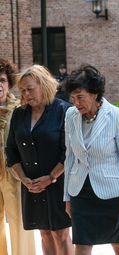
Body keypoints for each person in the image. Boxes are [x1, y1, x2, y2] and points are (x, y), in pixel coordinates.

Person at [63, 64, 119, 255]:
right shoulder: (70, 115)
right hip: (80, 191)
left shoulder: (117, 116)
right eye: (72, 98)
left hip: (111, 193)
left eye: (80, 97)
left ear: (95, 93)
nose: (76, 103)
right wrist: (67, 197)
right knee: (82, 243)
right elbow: (69, 158)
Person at [5, 64, 73, 255]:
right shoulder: (19, 114)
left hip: (58, 182)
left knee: (60, 233)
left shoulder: (64, 111)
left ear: (43, 85)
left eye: (30, 88)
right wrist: (23, 179)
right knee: (44, 232)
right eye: (23, 90)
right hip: (31, 184)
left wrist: (51, 177)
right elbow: (11, 151)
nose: (26, 94)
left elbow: (69, 152)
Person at [0, 59, 35, 255]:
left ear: (9, 83)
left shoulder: (20, 111)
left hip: (15, 175)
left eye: (2, 80)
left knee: (20, 224)